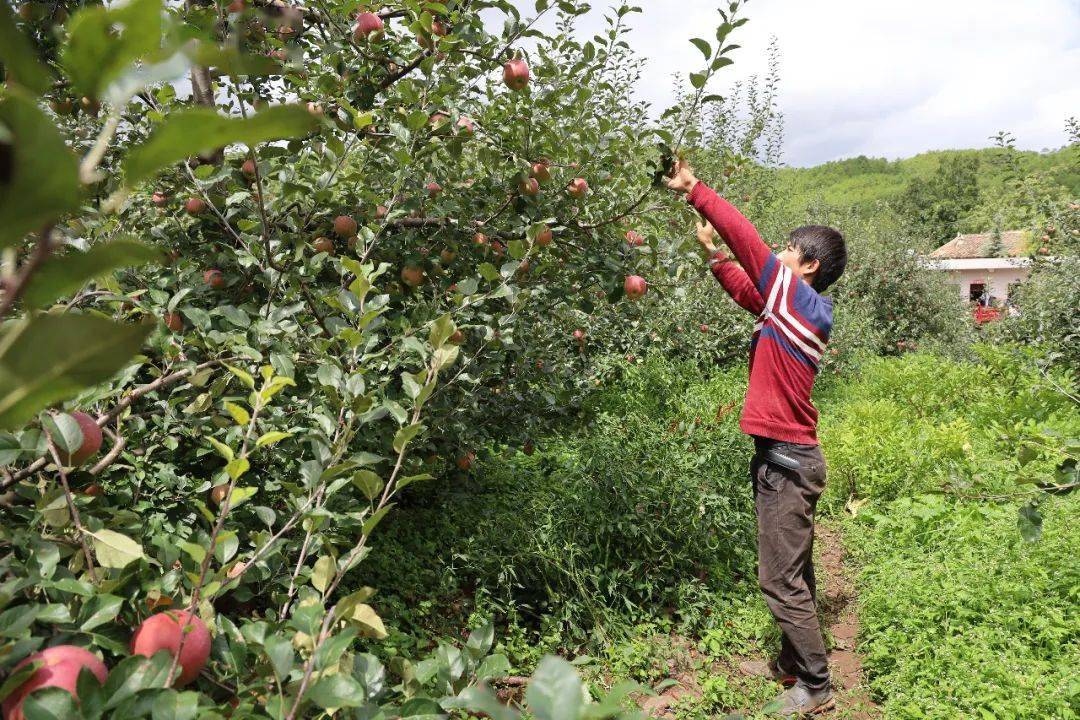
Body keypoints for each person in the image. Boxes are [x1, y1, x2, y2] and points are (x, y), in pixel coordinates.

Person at [666, 160, 848, 717]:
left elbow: (749, 246)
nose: (777, 253)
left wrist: (698, 192)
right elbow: (748, 289)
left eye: (787, 250)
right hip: (785, 458)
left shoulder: (801, 299)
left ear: (808, 266)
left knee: (778, 579)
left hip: (789, 464)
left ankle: (816, 685)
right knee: (796, 571)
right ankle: (795, 662)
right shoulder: (792, 304)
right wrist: (713, 255)